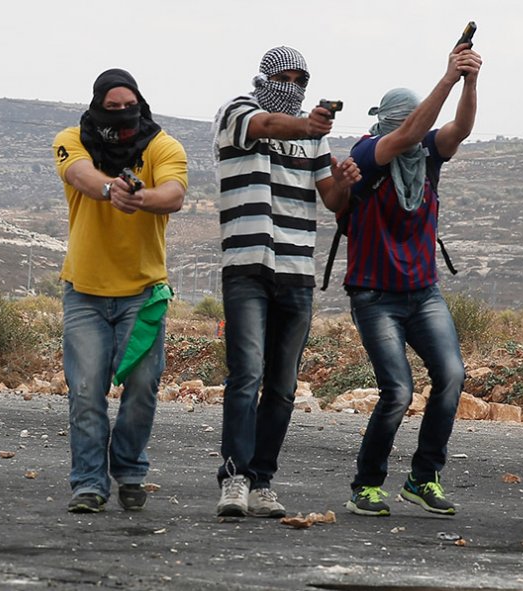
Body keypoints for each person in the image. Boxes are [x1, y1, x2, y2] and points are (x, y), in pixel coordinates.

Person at [213, 46, 361, 518]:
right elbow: (269, 126)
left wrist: (347, 181)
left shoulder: (314, 140)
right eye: (286, 78)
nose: (293, 87)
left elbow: (333, 200)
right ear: (265, 78)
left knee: (282, 383)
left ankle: (262, 480)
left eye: (302, 80)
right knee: (246, 374)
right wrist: (308, 124)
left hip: (297, 271)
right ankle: (233, 477)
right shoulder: (238, 112)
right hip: (248, 265)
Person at [341, 41, 482, 517]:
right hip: (375, 295)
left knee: (451, 376)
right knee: (397, 391)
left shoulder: (428, 157)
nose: (415, 127)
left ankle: (424, 477)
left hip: (423, 292)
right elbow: (404, 136)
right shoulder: (369, 151)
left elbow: (459, 128)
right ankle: (367, 483)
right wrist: (445, 78)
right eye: (409, 118)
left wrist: (469, 79)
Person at [53, 68, 187, 513]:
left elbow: (174, 193)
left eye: (128, 106)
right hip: (85, 293)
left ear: (140, 103)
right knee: (85, 390)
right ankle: (89, 484)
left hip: (144, 295)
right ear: (96, 106)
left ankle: (129, 470)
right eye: (111, 108)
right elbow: (80, 175)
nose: (121, 114)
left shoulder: (162, 145)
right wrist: (112, 190)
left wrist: (140, 198)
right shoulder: (71, 138)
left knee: (143, 387)